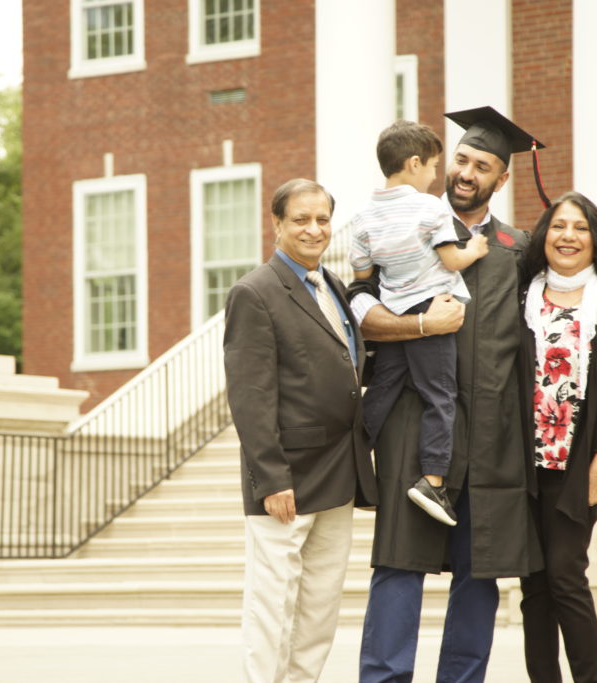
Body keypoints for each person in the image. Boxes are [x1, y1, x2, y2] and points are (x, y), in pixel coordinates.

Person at [348, 106, 597, 683]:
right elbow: (358, 301)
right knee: (398, 562)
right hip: (416, 417)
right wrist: (412, 326)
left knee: (479, 569)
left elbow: (568, 285)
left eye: (482, 166)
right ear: (442, 165)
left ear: (500, 179)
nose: (466, 173)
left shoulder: (518, 247)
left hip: (495, 428)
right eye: (460, 160)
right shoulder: (401, 229)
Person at [224, 178, 378, 683]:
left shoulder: (331, 285)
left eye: (322, 220)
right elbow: (250, 395)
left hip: (339, 468)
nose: (314, 230)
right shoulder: (255, 292)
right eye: (301, 220)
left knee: (319, 606)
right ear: (276, 224)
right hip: (287, 476)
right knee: (272, 605)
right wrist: (271, 478)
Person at [517, 192, 597, 682]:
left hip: (576, 464)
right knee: (534, 584)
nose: (568, 236)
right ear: (545, 235)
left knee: (567, 576)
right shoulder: (519, 300)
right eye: (559, 226)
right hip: (522, 464)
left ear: (596, 241)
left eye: (581, 228)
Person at [350, 120, 489, 528]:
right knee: (440, 395)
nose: (435, 176)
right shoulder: (431, 208)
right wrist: (476, 248)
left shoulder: (362, 218)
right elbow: (451, 260)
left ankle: (352, 464)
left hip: (393, 310)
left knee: (383, 389)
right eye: (432, 167)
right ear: (414, 164)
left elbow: (361, 274)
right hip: (433, 306)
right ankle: (432, 480)